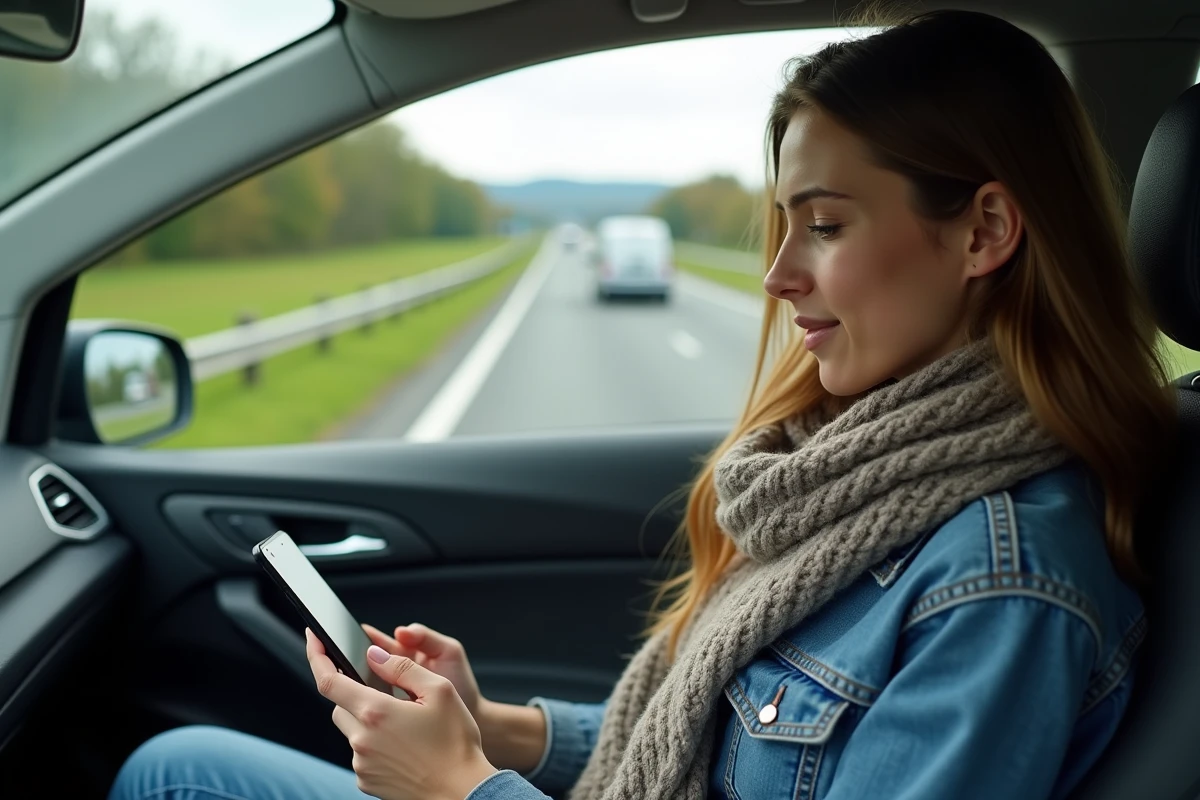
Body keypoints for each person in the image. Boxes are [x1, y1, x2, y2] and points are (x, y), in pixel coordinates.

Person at [107, 7, 1176, 800]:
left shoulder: (1000, 586)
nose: (778, 275)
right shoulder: (847, 475)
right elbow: (708, 745)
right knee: (178, 763)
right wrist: (501, 730)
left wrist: (460, 785)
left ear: (984, 232)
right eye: (781, 226)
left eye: (828, 224)